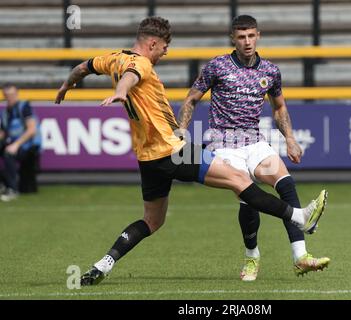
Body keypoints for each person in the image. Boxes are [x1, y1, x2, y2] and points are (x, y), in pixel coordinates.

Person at [55, 16, 328, 286]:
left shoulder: (114, 57)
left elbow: (83, 67)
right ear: (152, 43)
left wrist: (68, 84)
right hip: (174, 151)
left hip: (147, 159)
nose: (165, 52)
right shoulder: (141, 64)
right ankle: (298, 217)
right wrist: (122, 91)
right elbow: (131, 76)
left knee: (152, 221)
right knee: (241, 181)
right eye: (164, 47)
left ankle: (104, 263)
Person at [178, 15, 330, 281]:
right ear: (233, 39)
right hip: (224, 144)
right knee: (248, 196)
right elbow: (191, 99)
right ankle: (252, 256)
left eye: (250, 36)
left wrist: (290, 139)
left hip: (255, 141)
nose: (246, 42)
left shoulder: (270, 70)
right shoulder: (217, 66)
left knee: (285, 183)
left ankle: (301, 257)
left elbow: (279, 106)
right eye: (241, 37)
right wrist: (181, 130)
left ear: (258, 35)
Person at [0, 83, 41, 202]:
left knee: (9, 154)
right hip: (13, 145)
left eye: (12, 95)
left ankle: (12, 189)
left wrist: (16, 145)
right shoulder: (5, 113)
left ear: (17, 94)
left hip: (28, 146)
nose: (10, 97)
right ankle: (2, 184)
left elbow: (31, 130)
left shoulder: (24, 107)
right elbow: (3, 132)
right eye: (7, 95)